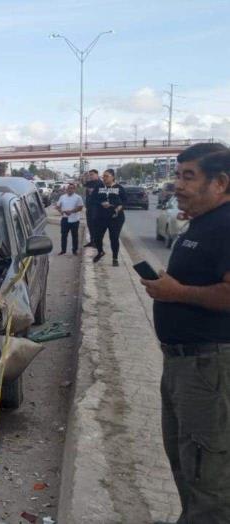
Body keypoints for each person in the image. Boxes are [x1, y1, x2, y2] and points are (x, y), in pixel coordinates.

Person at [141, 142, 230, 523]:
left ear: (221, 182)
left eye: (188, 177)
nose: (177, 184)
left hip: (208, 366)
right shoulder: (204, 224)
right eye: (178, 175)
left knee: (208, 476)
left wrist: (175, 292)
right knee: (186, 464)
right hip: (184, 364)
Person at [91, 169, 127, 266]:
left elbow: (125, 201)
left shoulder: (119, 188)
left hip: (115, 217)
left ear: (113, 177)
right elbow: (92, 199)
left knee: (114, 238)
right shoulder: (99, 187)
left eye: (107, 176)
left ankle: (115, 258)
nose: (104, 178)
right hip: (101, 216)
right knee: (97, 237)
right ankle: (100, 251)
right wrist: (101, 203)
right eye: (103, 176)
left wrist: (118, 208)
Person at [55, 182, 84, 255]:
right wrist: (61, 211)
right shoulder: (62, 197)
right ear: (66, 189)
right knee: (63, 235)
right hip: (65, 219)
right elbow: (58, 206)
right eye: (68, 188)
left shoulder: (78, 197)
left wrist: (71, 211)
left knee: (75, 236)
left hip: (74, 219)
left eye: (72, 188)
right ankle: (63, 250)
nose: (70, 190)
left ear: (74, 189)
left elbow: (80, 207)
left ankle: (74, 250)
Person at [83, 169, 103, 247]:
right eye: (90, 175)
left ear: (97, 174)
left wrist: (93, 191)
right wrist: (84, 176)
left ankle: (97, 242)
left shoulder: (100, 183)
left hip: (97, 208)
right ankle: (92, 241)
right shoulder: (90, 183)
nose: (90, 176)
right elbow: (83, 183)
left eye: (92, 174)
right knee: (90, 225)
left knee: (96, 226)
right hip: (89, 207)